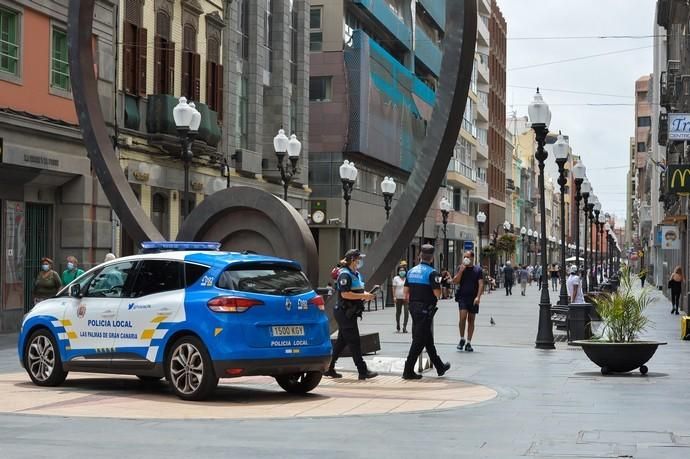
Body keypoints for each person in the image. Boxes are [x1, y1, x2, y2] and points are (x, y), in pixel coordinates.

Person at [324, 249, 378, 380]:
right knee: (354, 342)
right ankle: (362, 370)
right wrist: (363, 295)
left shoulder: (356, 274)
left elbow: (357, 290)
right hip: (344, 313)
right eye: (359, 259)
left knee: (342, 342)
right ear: (353, 260)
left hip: (350, 312)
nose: (360, 261)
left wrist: (367, 295)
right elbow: (345, 294)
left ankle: (329, 368)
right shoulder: (345, 275)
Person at [402, 244, 451, 380]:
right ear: (431, 258)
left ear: (419, 256)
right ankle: (407, 370)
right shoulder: (432, 273)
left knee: (427, 338)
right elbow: (437, 294)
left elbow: (405, 293)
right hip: (425, 309)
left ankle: (439, 366)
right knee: (419, 340)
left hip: (413, 307)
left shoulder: (411, 271)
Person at [452, 250, 484, 352]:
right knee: (462, 317)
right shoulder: (460, 268)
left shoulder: (478, 270)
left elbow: (481, 284)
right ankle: (462, 339)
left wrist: (478, 297)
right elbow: (455, 281)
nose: (465, 259)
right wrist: (461, 271)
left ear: (472, 258)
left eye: (467, 257)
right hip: (463, 297)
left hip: (473, 297)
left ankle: (469, 342)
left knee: (471, 319)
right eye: (464, 257)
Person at [393, 265, 409, 333]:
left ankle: (404, 327)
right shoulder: (396, 278)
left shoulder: (407, 278)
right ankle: (398, 324)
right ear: (398, 271)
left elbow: (409, 288)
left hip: (406, 298)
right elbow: (393, 288)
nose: (402, 271)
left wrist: (408, 296)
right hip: (398, 297)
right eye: (400, 270)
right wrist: (394, 296)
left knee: (406, 312)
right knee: (398, 312)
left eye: (403, 270)